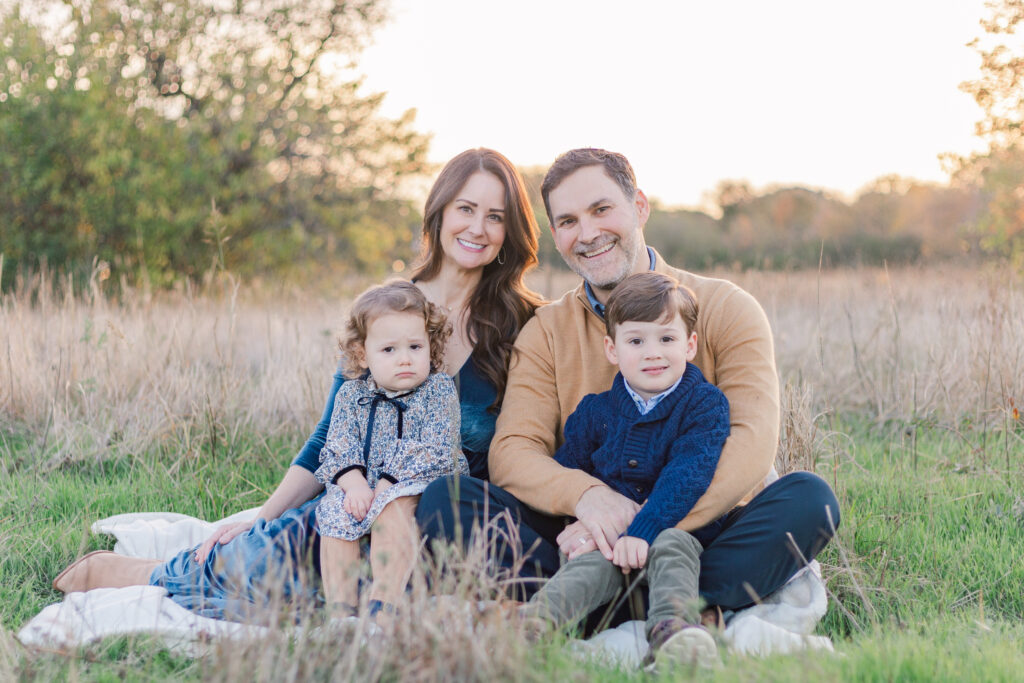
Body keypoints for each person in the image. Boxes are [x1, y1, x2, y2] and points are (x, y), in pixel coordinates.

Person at [52, 148, 545, 620]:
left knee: (330, 600)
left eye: (496, 216)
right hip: (359, 502)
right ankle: (145, 573)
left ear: (511, 230)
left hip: (442, 521)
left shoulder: (525, 323)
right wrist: (261, 516)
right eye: (466, 208)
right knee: (267, 560)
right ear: (438, 212)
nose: (478, 228)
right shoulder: (386, 310)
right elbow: (332, 434)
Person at [417, 148, 841, 621]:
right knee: (448, 500)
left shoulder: (727, 307)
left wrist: (642, 528)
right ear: (556, 236)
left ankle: (594, 604)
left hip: (696, 532)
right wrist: (587, 498)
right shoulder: (546, 330)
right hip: (582, 531)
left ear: (639, 206)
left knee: (810, 500)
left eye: (602, 210)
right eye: (569, 221)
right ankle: (670, 603)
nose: (589, 233)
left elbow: (752, 444)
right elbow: (514, 451)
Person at [520, 271, 729, 668]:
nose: (653, 353)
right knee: (588, 562)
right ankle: (533, 629)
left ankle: (674, 638)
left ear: (690, 345)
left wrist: (642, 530)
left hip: (671, 530)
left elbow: (689, 473)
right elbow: (569, 470)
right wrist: (580, 518)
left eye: (666, 339)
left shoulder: (705, 404)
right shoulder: (595, 412)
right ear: (612, 349)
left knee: (675, 546)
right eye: (636, 341)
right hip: (609, 547)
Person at [314, 280, 468, 618]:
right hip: (365, 485)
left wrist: (386, 482)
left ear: (431, 346)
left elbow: (435, 446)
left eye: (415, 347)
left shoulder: (438, 390)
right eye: (389, 350)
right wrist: (353, 485)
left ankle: (384, 604)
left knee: (392, 506)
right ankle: (340, 608)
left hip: (419, 482)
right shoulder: (352, 396)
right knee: (335, 509)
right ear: (362, 354)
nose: (405, 360)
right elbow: (338, 444)